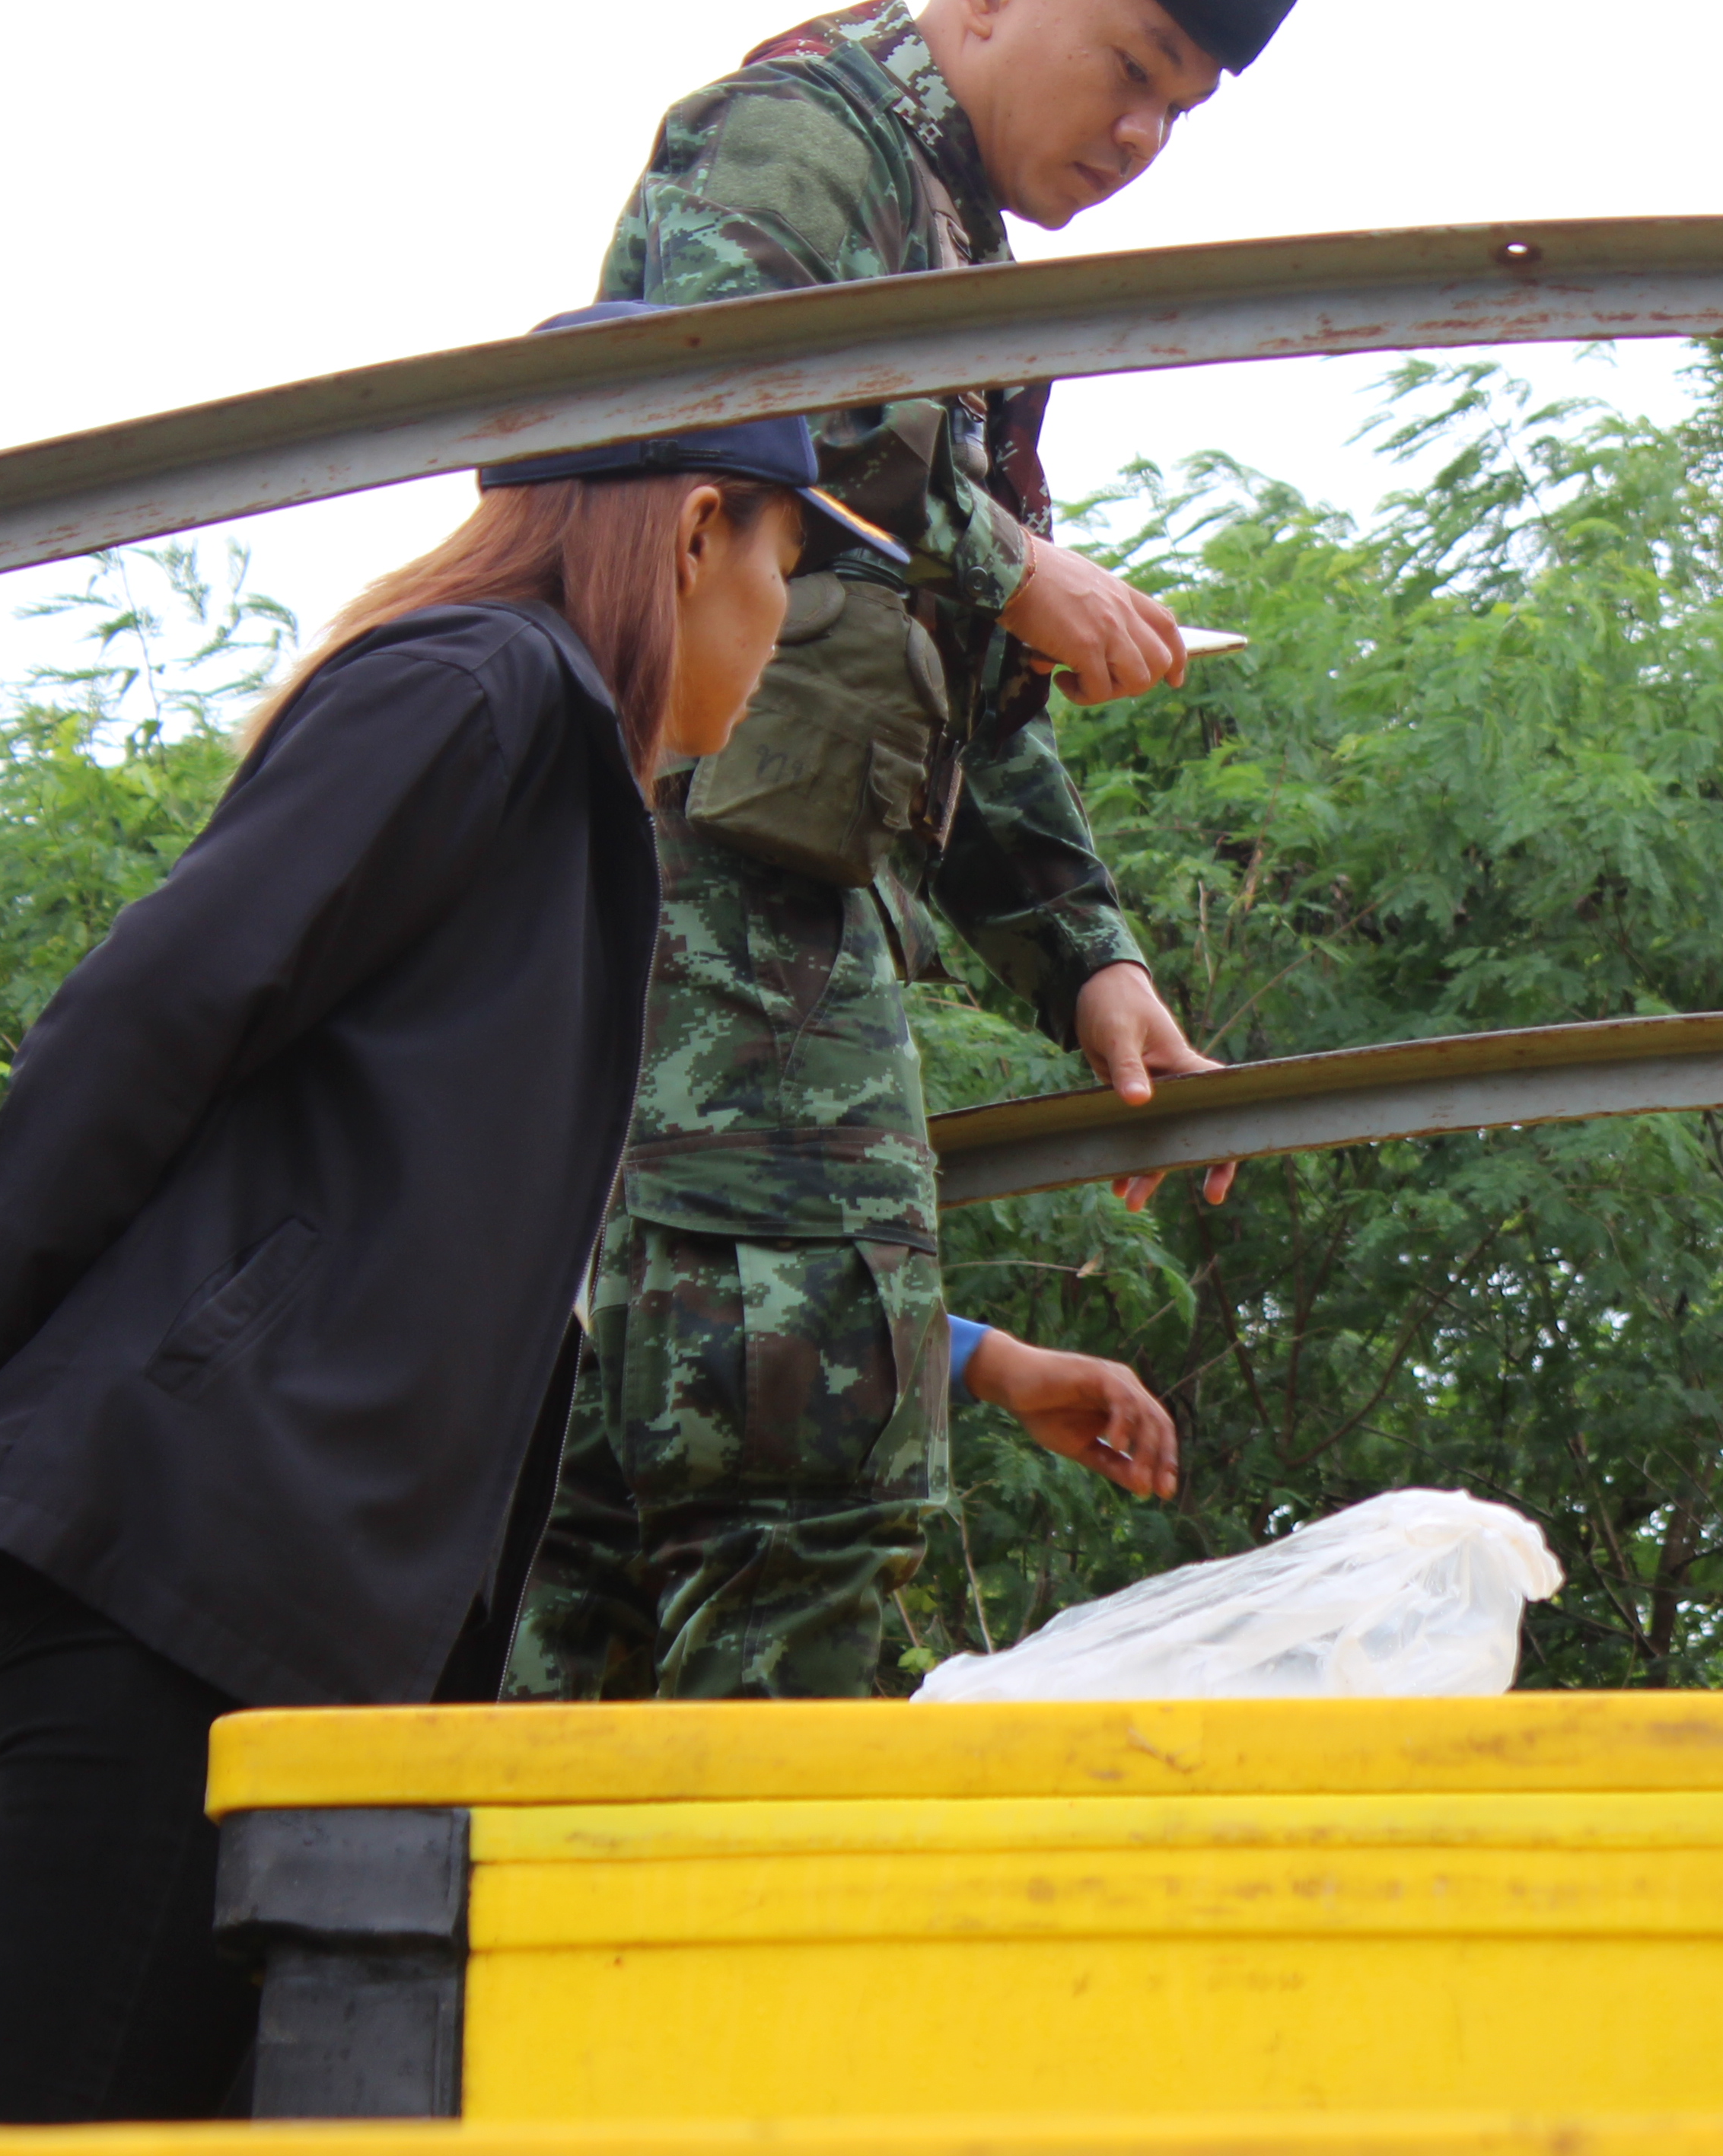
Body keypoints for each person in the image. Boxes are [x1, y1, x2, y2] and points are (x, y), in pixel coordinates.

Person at [0, 367, 874, 2123]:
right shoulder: (480, 687)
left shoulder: (566, 794)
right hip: (180, 1579)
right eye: (789, 562)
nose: (784, 622)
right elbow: (143, 1022)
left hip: (274, 1624)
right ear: (699, 527)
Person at [509, 0, 1295, 1703]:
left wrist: (1093, 962)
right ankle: (739, 1872)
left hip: (765, 921)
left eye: (1180, 111)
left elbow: (951, 677)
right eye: (1131, 70)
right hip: (697, 912)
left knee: (617, 1521)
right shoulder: (803, 136)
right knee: (797, 1477)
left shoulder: (957, 251)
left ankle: (555, 1864)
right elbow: (736, 383)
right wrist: (1012, 562)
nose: (1141, 137)